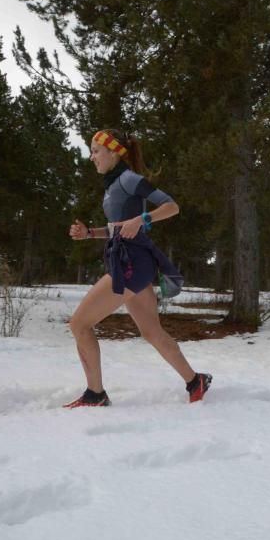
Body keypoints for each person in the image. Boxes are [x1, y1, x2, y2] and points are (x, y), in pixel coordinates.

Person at [63, 129, 212, 408]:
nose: (92, 157)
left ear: (113, 152)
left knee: (79, 324)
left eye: (96, 150)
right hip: (130, 262)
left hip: (132, 263)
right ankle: (195, 381)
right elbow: (117, 228)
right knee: (152, 332)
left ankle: (95, 394)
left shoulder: (129, 179)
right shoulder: (112, 186)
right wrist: (89, 234)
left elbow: (172, 206)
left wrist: (143, 219)